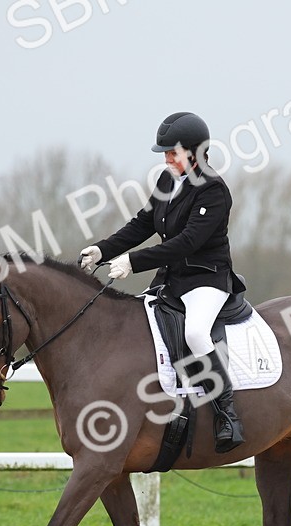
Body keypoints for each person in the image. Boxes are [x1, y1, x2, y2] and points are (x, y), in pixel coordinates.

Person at [80, 112, 246, 453]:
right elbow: (142, 225)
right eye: (165, 153)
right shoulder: (167, 181)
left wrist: (133, 262)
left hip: (206, 280)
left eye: (173, 153)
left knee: (195, 333)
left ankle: (227, 414)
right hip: (172, 281)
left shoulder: (213, 190)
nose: (167, 159)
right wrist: (102, 250)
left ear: (195, 152)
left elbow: (187, 242)